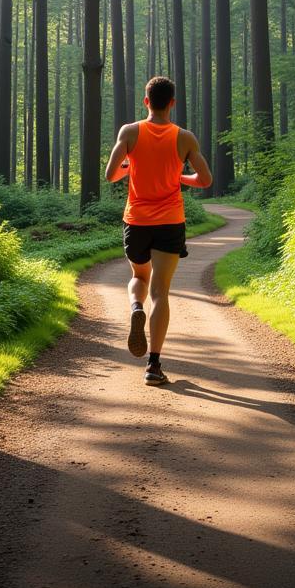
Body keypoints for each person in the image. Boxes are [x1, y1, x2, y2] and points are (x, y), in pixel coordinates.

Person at [104, 75, 212, 385]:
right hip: (170, 221)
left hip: (137, 220)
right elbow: (205, 180)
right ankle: (153, 365)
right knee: (161, 292)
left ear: (146, 101)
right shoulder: (185, 138)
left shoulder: (130, 132)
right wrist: (180, 177)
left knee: (139, 277)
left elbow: (110, 174)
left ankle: (135, 307)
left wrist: (131, 166)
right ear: (173, 103)